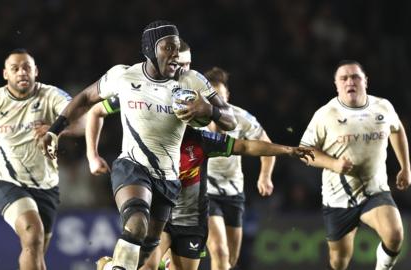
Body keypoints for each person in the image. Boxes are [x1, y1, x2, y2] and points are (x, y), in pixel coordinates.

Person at [41, 20, 237, 270]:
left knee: (144, 253)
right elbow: (86, 99)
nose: (175, 54)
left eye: (177, 48)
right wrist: (55, 130)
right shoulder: (124, 76)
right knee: (136, 224)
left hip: (168, 178)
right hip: (133, 167)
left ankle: (111, 266)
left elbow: (230, 119)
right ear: (151, 49)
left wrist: (209, 110)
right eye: (168, 48)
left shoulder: (192, 81)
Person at [86, 98, 314, 270]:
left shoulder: (202, 141)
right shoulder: (150, 143)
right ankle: (110, 265)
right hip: (162, 217)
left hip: (192, 221)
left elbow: (245, 147)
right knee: (146, 267)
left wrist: (288, 149)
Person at [0, 48, 81, 270]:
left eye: (27, 68)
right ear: (6, 74)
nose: (22, 72)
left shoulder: (51, 96)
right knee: (33, 236)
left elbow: (83, 121)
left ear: (36, 71)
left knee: (34, 249)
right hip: (7, 183)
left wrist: (56, 129)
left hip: (47, 186)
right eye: (15, 69)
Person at [299, 60, 411, 270]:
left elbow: (397, 130)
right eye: (344, 78)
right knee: (339, 262)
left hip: (375, 191)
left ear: (365, 81)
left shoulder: (383, 107)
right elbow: (304, 152)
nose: (350, 81)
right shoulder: (325, 115)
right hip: (338, 199)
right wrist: (332, 164)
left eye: (355, 77)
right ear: (336, 84)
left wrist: (405, 167)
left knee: (395, 234)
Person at [203, 67, 275, 270]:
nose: (215, 101)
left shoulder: (241, 117)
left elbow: (266, 145)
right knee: (219, 250)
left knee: (231, 259)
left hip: (234, 192)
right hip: (204, 191)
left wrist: (265, 176)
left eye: (220, 97)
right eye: (210, 97)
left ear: (227, 97)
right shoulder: (193, 119)